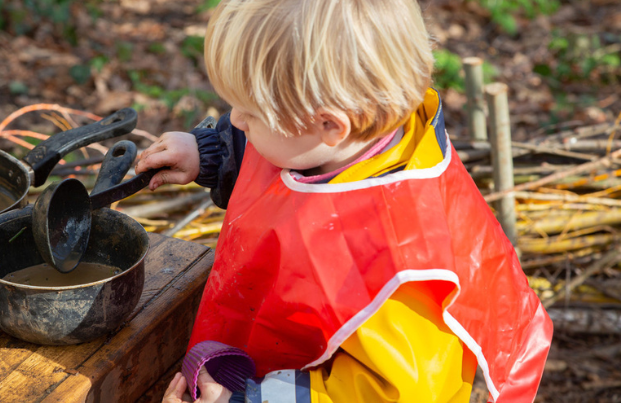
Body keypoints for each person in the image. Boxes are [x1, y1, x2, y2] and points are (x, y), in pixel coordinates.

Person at [138, 0, 553, 401]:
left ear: (331, 125)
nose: (237, 119)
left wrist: (247, 400)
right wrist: (211, 153)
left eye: (249, 112)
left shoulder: (396, 267)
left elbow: (393, 394)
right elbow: (277, 164)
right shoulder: (336, 141)